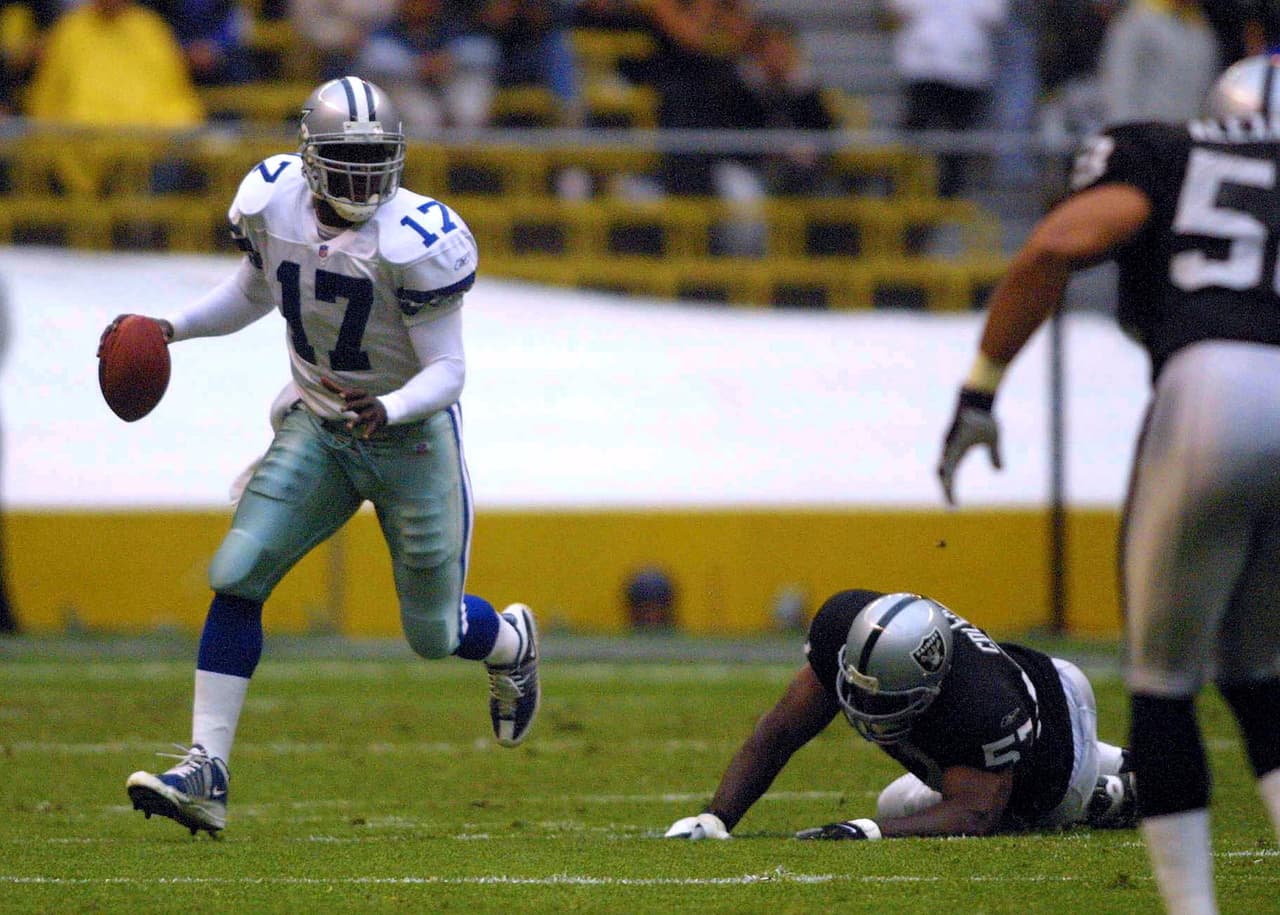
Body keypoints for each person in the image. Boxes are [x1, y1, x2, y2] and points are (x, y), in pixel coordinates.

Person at [109, 75, 541, 837]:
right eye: (346, 160)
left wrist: (393, 405)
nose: (364, 177)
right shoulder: (270, 201)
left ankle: (509, 640)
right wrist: (170, 326)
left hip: (409, 438)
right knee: (238, 572)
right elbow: (252, 291)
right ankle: (206, 769)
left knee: (432, 634)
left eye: (377, 159)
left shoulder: (419, 238)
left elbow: (449, 370)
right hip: (320, 422)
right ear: (309, 159)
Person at [936, 54, 1280, 915]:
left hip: (1210, 389)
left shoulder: (1167, 152)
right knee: (1261, 673)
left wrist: (980, 388)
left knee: (1165, 680)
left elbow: (1059, 243)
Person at [665, 589, 1136, 841]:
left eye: (885, 699)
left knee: (1028, 814)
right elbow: (778, 733)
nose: (867, 709)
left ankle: (1105, 795)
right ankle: (1127, 766)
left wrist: (867, 832)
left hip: (1052, 764)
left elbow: (976, 814)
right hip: (1029, 682)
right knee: (897, 804)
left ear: (933, 682)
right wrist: (716, 817)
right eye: (858, 690)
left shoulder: (983, 707)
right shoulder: (845, 628)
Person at [887, 0, 1008, 199]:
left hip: (966, 65)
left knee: (957, 135)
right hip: (925, 63)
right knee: (916, 128)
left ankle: (949, 190)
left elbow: (994, 15)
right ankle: (903, 182)